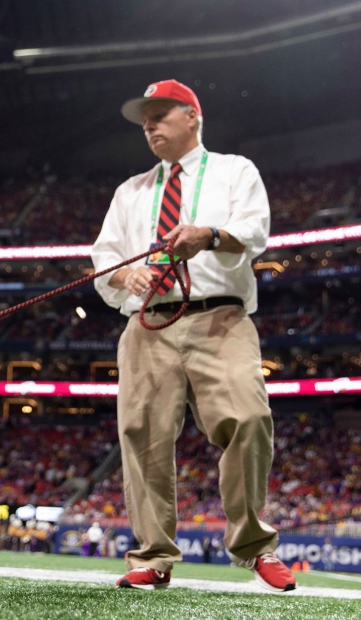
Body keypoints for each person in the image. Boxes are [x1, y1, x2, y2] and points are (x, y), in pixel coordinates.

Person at [91, 79, 296, 592]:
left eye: (160, 114)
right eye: (145, 118)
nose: (149, 125)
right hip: (148, 322)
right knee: (142, 436)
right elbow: (102, 261)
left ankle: (253, 546)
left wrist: (208, 235)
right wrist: (123, 276)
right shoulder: (130, 190)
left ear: (193, 117)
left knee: (249, 417)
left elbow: (255, 231)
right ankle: (152, 556)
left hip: (220, 318)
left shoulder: (234, 170)